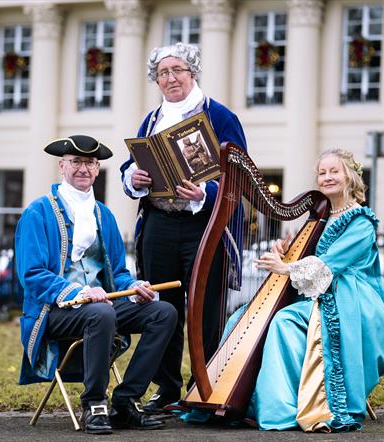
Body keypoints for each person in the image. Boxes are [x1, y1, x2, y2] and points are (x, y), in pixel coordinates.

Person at [15, 135, 178, 435]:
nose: (83, 169)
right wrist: (80, 292)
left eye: (90, 163)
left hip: (101, 306)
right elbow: (32, 275)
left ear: (98, 169)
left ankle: (126, 402)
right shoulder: (37, 213)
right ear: (62, 166)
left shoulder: (104, 215)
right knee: (101, 313)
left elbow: (117, 272)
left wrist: (137, 286)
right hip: (55, 310)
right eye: (76, 162)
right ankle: (94, 404)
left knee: (163, 312)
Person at [120, 42, 247, 413]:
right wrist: (134, 177)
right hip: (159, 222)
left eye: (177, 70)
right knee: (163, 306)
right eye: (163, 73)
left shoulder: (220, 116)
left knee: (205, 307)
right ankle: (168, 387)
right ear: (155, 79)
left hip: (204, 225)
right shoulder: (151, 119)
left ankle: (203, 384)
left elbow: (238, 175)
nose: (170, 78)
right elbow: (131, 165)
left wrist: (204, 193)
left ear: (192, 72)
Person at [249, 148, 384, 431]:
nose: (327, 177)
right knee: (244, 317)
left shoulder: (361, 221)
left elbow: (330, 266)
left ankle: (285, 408)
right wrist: (286, 252)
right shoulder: (322, 216)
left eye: (334, 171)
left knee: (283, 321)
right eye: (322, 172)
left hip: (353, 300)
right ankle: (255, 400)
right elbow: (311, 257)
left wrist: (285, 268)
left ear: (349, 176)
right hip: (327, 291)